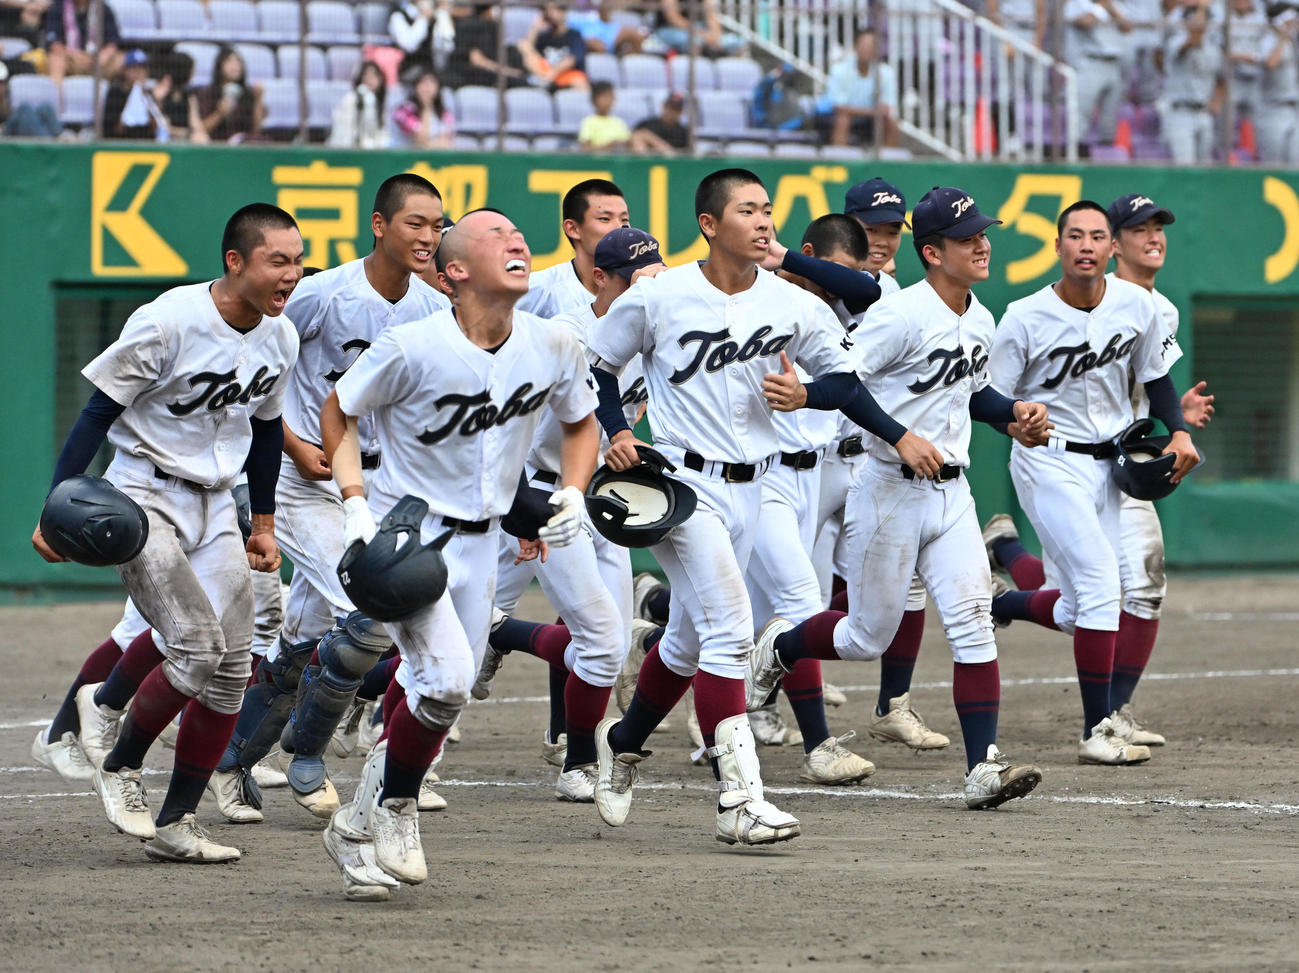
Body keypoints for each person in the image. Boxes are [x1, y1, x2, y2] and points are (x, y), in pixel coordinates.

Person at [584, 168, 896, 844]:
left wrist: (807, 396)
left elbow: (844, 373)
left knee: (688, 640)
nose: (762, 221)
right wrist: (617, 430)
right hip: (680, 485)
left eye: (767, 210)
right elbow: (598, 368)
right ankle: (739, 799)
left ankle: (624, 740)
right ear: (708, 224)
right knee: (729, 630)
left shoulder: (790, 302)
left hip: (757, 485)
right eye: (747, 210)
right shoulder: (659, 297)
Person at [319, 208, 599, 900]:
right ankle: (396, 809)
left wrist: (570, 491)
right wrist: (354, 499)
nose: (516, 241)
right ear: (453, 271)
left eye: (519, 235)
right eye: (496, 235)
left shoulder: (553, 342)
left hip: (488, 539)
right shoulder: (412, 345)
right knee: (443, 682)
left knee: (440, 696)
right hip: (410, 541)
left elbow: (582, 421)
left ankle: (353, 823)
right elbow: (338, 410)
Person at [746, 186, 1050, 811]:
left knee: (973, 627)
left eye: (983, 234)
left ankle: (983, 769)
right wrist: (848, 414)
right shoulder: (899, 313)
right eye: (969, 239)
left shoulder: (980, 316)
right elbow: (843, 380)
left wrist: (1013, 414)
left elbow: (973, 394)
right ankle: (779, 646)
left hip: (952, 495)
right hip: (888, 490)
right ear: (933, 252)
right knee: (866, 637)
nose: (984, 245)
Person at [31, 202, 303, 862]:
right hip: (143, 491)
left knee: (231, 668)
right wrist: (55, 506)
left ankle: (177, 820)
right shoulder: (168, 320)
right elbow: (97, 412)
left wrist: (262, 523)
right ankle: (117, 746)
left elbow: (266, 431)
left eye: (297, 260)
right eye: (278, 260)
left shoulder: (280, 335)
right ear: (235, 261)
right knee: (195, 644)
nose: (291, 274)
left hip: (217, 503)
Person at [208, 175, 451, 826]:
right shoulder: (321, 294)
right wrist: (288, 442)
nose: (428, 236)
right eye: (414, 223)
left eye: (436, 225)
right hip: (302, 482)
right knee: (367, 614)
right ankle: (307, 751)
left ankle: (232, 758)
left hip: (375, 485)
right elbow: (258, 371)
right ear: (379, 225)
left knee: (305, 636)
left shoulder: (431, 311)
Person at [985, 192, 1214, 750]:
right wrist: (1014, 422)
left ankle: (995, 597)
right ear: (1057, 245)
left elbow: (1157, 380)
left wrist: (1177, 431)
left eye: (1095, 237)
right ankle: (1098, 729)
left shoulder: (1137, 308)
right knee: (1101, 586)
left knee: (1075, 608)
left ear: (1111, 249)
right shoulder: (1024, 316)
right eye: (1074, 236)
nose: (1085, 246)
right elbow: (986, 394)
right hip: (1049, 462)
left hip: (1110, 465)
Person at [472, 226, 665, 803]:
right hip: (539, 497)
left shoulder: (655, 331)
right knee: (460, 635)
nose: (650, 289)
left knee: (604, 642)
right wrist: (517, 502)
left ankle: (576, 756)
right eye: (638, 280)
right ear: (601, 281)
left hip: (601, 499)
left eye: (657, 276)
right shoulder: (564, 336)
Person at [826, 177, 950, 752]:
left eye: (891, 230)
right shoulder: (817, 278)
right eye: (871, 228)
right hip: (804, 460)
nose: (882, 239)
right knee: (781, 588)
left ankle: (893, 704)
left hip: (870, 457)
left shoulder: (893, 287)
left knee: (908, 586)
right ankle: (661, 634)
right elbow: (855, 283)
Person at [516, 177, 629, 318]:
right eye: (605, 219)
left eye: (624, 220)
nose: (620, 228)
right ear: (573, 229)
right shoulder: (542, 288)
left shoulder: (639, 288)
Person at [1161, 2, 1223, 164]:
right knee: (1185, 166)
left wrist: (1217, 101)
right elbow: (1195, 37)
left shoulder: (1213, 47)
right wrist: (1202, 7)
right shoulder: (1176, 41)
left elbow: (1222, 78)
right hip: (1180, 111)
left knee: (1204, 168)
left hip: (1203, 113)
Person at [820, 27, 899, 147]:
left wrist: (872, 112)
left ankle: (888, 162)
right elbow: (839, 108)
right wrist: (872, 111)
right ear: (855, 47)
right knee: (843, 119)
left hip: (872, 119)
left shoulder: (886, 73)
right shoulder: (839, 70)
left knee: (892, 122)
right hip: (843, 117)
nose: (867, 50)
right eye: (864, 45)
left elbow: (886, 108)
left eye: (872, 46)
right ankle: (840, 160)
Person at [442, 2, 526, 90]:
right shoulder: (472, 25)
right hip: (471, 76)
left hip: (489, 74)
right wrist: (508, 72)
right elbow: (477, 59)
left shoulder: (492, 27)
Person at [41, 0, 121, 87]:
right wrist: (76, 55)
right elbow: (53, 43)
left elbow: (113, 42)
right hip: (71, 59)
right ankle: (58, 98)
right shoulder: (58, 6)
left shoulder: (103, 8)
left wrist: (101, 57)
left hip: (97, 61)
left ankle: (119, 98)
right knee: (56, 60)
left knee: (123, 61)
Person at [1255, 4, 1299, 163]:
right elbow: (1271, 62)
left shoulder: (1293, 43)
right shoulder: (1267, 40)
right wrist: (1284, 35)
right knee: (1274, 165)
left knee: (1295, 164)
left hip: (1294, 110)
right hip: (1273, 110)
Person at [195, 46, 265, 144]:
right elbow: (200, 130)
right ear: (220, 66)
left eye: (238, 62)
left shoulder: (249, 93)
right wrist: (220, 113)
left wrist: (258, 99)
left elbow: (257, 129)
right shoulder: (207, 93)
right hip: (215, 144)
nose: (235, 65)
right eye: (229, 61)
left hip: (244, 145)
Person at [517, 2, 589, 90]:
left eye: (555, 10)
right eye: (548, 11)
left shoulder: (574, 35)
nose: (550, 14)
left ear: (563, 12)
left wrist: (552, 73)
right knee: (524, 45)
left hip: (564, 74)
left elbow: (572, 59)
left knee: (579, 81)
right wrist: (535, 28)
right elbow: (527, 49)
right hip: (543, 73)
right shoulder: (544, 37)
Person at [103, 48, 169, 140]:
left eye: (142, 68)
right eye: (134, 68)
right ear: (125, 70)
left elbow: (159, 126)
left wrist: (157, 100)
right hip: (120, 143)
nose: (138, 72)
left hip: (148, 144)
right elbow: (115, 128)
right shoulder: (116, 92)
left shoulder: (151, 91)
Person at [328, 60, 389, 150]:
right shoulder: (351, 99)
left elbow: (381, 132)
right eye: (366, 75)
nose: (370, 79)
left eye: (374, 75)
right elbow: (345, 133)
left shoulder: (380, 101)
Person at [649, 0, 744, 57]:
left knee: (737, 42)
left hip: (699, 29)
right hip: (669, 30)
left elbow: (711, 16)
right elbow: (673, 18)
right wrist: (702, 34)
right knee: (696, 42)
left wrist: (716, 34)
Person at [392, 67, 453, 148]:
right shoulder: (404, 110)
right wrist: (426, 108)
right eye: (423, 82)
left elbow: (446, 140)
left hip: (438, 155)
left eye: (431, 83)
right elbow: (421, 138)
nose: (427, 86)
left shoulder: (444, 113)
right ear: (416, 87)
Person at [578, 80, 630, 150]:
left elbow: (627, 143)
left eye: (610, 97)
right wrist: (608, 146)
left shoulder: (619, 122)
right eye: (604, 97)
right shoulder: (589, 122)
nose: (608, 101)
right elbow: (585, 148)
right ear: (594, 99)